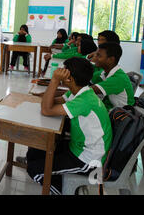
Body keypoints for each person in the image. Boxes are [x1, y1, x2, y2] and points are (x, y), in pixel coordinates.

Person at [25, 57, 112, 195]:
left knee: (34, 169)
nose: (59, 72)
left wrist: (54, 80)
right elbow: (52, 102)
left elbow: (47, 110)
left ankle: (63, 190)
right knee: (37, 149)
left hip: (88, 159)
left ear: (69, 78)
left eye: (63, 70)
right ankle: (58, 174)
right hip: (78, 147)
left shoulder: (84, 100)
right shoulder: (80, 91)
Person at [90, 42, 135, 111]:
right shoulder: (105, 72)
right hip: (111, 108)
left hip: (121, 116)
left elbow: (88, 90)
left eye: (99, 55)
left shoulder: (118, 78)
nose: (95, 57)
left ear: (111, 59)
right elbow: (89, 78)